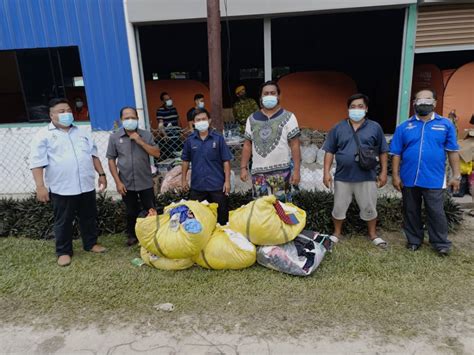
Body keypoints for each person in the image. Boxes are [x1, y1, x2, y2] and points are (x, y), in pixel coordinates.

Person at [29, 98, 107, 266]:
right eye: (61, 111)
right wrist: (40, 186)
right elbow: (36, 162)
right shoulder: (43, 135)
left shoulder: (82, 132)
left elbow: (93, 154)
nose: (66, 114)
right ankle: (63, 251)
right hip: (62, 188)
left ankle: (91, 243)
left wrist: (101, 174)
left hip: (85, 185)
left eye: (68, 110)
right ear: (51, 115)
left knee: (89, 217)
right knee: (63, 221)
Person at [390, 89, 461, 256]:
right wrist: (395, 175)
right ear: (414, 103)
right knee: (411, 210)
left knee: (436, 211)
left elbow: (452, 151)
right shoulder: (404, 126)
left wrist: (456, 175)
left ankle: (440, 243)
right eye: (419, 100)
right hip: (409, 177)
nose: (423, 102)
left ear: (435, 103)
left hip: (434, 178)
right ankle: (414, 240)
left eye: (427, 99)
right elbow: (396, 153)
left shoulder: (445, 125)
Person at [322, 94, 389, 248]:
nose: (356, 109)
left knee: (370, 207)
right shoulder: (338, 127)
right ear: (348, 109)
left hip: (367, 176)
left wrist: (384, 172)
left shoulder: (375, 127)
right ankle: (337, 233)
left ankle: (373, 235)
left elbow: (383, 151)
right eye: (353, 107)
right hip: (342, 176)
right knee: (338, 207)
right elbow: (329, 151)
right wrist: (326, 173)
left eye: (360, 106)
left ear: (366, 109)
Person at [106, 106, 161, 246]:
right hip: (126, 182)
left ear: (137, 119)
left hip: (145, 181)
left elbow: (156, 153)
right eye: (126, 118)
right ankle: (132, 235)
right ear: (121, 120)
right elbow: (111, 159)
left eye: (133, 117)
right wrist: (117, 182)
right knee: (131, 211)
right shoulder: (114, 137)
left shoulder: (146, 135)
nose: (130, 120)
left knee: (150, 210)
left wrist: (140, 141)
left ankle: (153, 235)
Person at [240, 80, 301, 201]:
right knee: (261, 210)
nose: (269, 96)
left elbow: (295, 145)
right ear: (261, 97)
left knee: (282, 209)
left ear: (278, 96)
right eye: (266, 93)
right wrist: (243, 168)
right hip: (259, 175)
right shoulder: (251, 119)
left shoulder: (289, 117)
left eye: (272, 93)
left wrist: (297, 170)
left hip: (281, 173)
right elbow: (247, 145)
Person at [182, 108, 233, 225]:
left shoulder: (218, 138)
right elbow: (185, 161)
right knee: (196, 218)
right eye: (198, 120)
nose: (201, 122)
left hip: (217, 185)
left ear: (209, 120)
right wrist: (183, 180)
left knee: (222, 218)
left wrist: (227, 182)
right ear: (193, 123)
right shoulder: (190, 141)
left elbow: (226, 161)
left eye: (203, 119)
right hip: (197, 186)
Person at [156, 91, 182, 158]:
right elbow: (160, 124)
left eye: (169, 98)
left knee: (179, 153)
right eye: (167, 99)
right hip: (168, 137)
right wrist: (165, 135)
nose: (169, 100)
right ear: (163, 101)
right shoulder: (160, 110)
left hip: (176, 135)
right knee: (171, 154)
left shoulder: (174, 109)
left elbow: (178, 120)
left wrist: (180, 131)